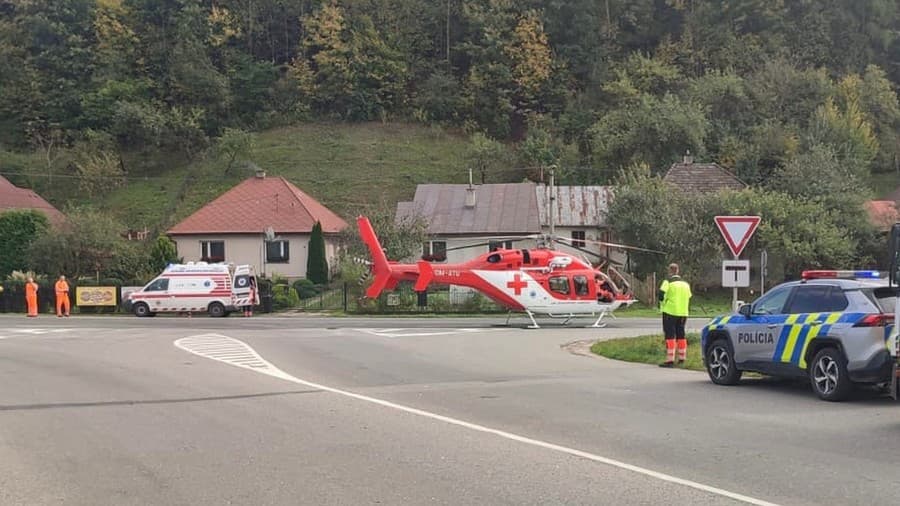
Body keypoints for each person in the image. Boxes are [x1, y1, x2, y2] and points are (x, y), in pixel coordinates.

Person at [658, 263, 692, 367]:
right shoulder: (685, 284)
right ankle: (682, 357)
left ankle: (670, 360)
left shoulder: (667, 282)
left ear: (670, 271)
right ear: (678, 271)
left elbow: (661, 295)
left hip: (670, 311)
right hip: (683, 313)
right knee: (681, 335)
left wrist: (663, 304)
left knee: (670, 335)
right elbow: (689, 296)